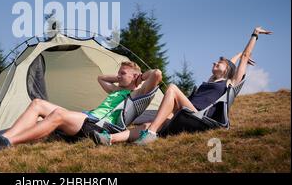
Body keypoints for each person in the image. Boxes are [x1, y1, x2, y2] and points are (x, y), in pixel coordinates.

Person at [92, 26, 272, 146]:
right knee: (147, 124)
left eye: (219, 63)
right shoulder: (211, 80)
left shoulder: (229, 83)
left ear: (228, 70)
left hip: (199, 116)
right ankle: (110, 139)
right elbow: (234, 60)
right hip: (185, 112)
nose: (214, 63)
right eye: (216, 62)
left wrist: (254, 34)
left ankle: (152, 134)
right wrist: (238, 54)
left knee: (172, 88)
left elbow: (244, 58)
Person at [0, 61, 163, 151]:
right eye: (118, 73)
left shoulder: (135, 94)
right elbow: (100, 78)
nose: (118, 75)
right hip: (87, 119)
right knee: (37, 104)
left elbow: (157, 74)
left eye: (122, 73)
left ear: (135, 78)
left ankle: (6, 143)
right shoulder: (115, 91)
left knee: (57, 114)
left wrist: (138, 78)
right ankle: (2, 138)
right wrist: (122, 78)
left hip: (98, 127)